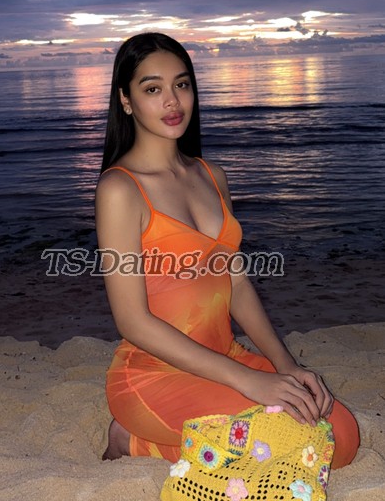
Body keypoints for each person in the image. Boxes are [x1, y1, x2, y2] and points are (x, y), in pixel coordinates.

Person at [95, 32, 359, 469]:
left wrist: (284, 365)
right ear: (126, 100)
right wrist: (248, 381)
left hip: (222, 357)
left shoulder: (212, 177)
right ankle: (132, 439)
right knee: (293, 444)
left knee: (341, 435)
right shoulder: (120, 190)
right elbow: (132, 321)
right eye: (152, 89)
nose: (172, 100)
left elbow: (235, 283)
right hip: (153, 375)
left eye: (182, 84)